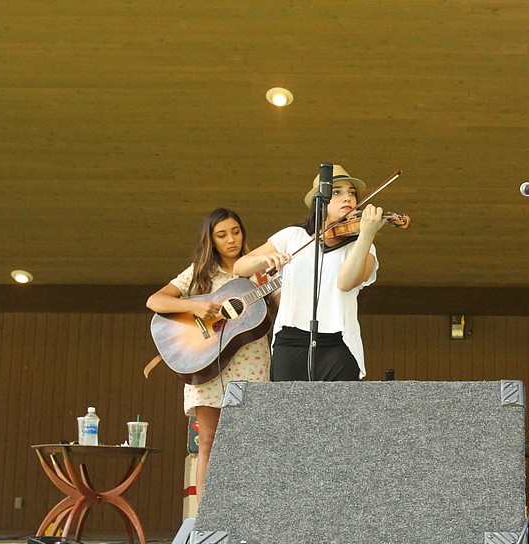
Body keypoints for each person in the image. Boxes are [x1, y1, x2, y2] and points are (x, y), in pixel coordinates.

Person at [146, 207, 291, 502]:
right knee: (208, 441)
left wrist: (291, 281)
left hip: (250, 362)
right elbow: (155, 300)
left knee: (249, 443)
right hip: (205, 361)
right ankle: (205, 520)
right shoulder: (199, 273)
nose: (231, 240)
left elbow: (284, 302)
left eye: (235, 232)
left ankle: (245, 512)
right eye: (222, 235)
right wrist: (194, 307)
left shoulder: (258, 269)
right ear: (210, 240)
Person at [236, 164, 383, 381]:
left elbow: (345, 282)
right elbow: (239, 267)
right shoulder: (292, 237)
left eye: (351, 193)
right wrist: (263, 259)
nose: (348, 198)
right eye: (337, 192)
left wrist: (366, 235)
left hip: (338, 342)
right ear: (319, 200)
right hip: (290, 340)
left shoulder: (362, 246)